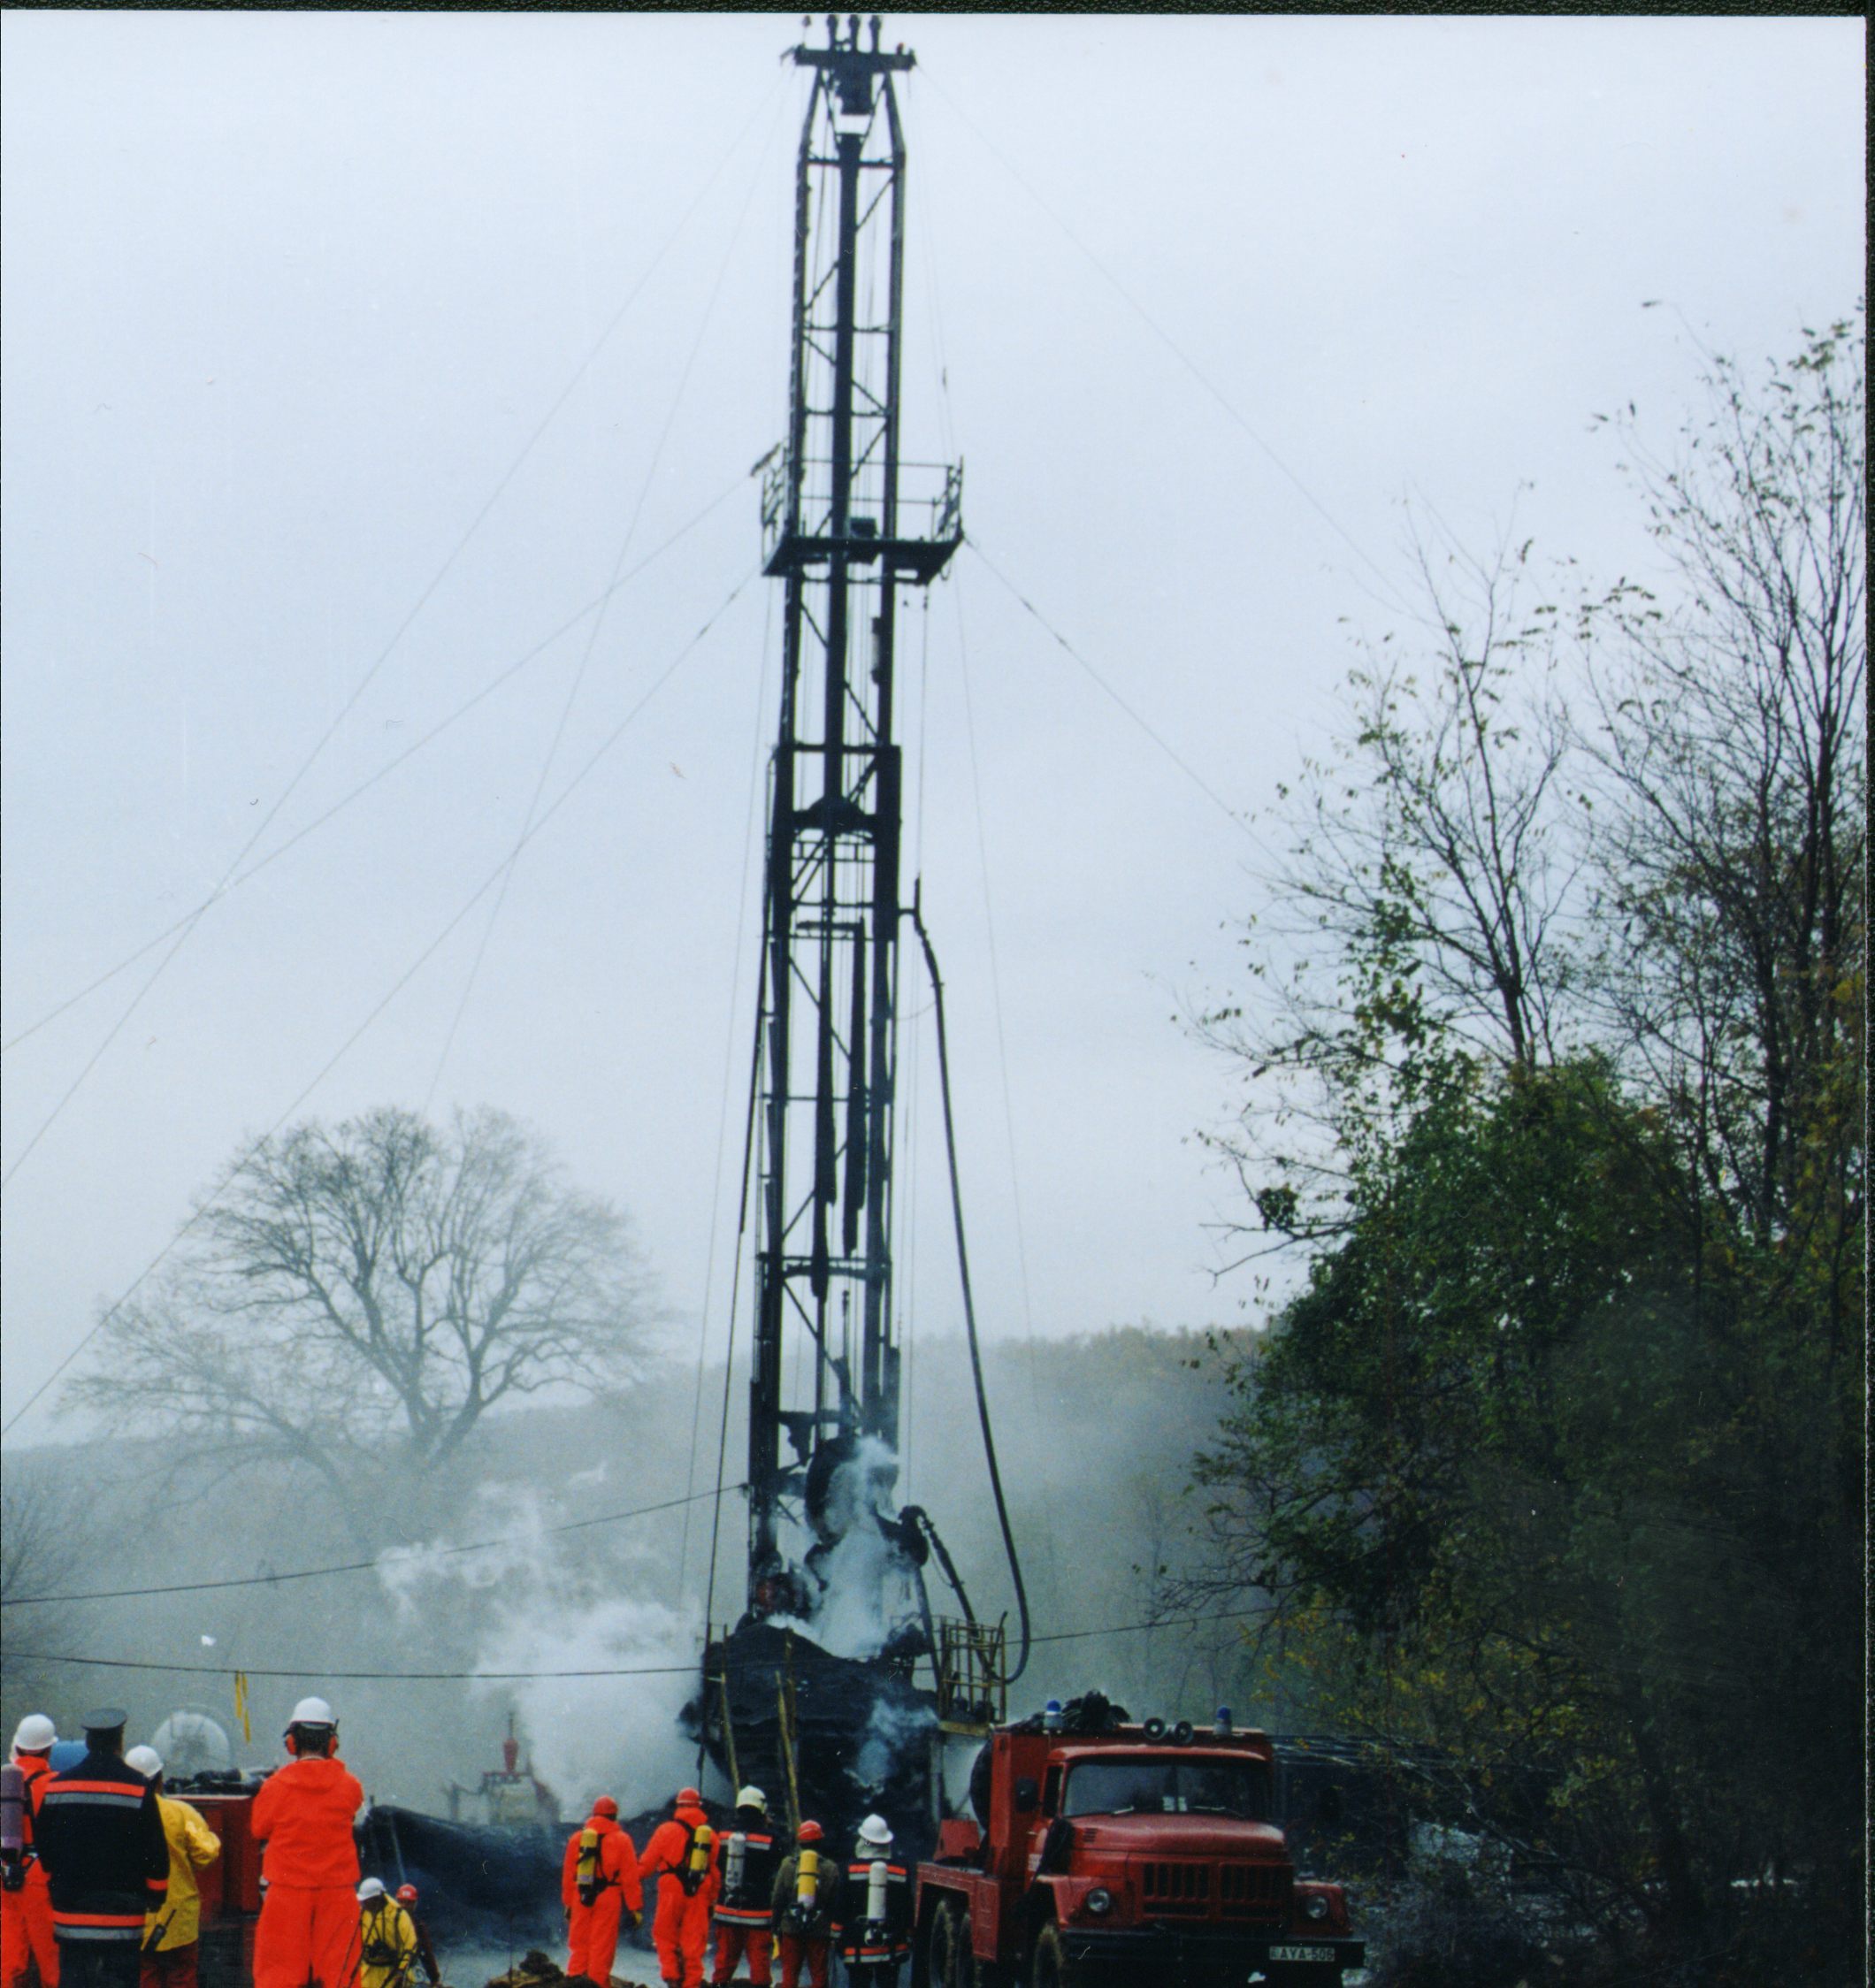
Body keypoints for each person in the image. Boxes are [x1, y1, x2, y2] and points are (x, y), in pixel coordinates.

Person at [32, 1710, 168, 1988]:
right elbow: (154, 1849)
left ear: (88, 1743)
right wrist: (156, 1895)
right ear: (120, 1743)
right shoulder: (138, 1787)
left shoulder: (58, 1787)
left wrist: (57, 1881)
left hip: (71, 1913)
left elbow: (44, 1844)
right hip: (122, 1918)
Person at [249, 1698, 365, 1988]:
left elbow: (258, 1828)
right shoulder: (350, 1787)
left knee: (279, 1975)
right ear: (331, 1744)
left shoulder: (274, 1787)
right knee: (341, 1974)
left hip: (287, 1894)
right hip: (337, 1894)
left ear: (292, 1743)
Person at [120, 1749, 219, 1988]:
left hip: (135, 1919)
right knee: (181, 1976)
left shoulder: (119, 1815)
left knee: (145, 1977)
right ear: (160, 1778)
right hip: (178, 1918)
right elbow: (206, 1854)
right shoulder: (181, 1812)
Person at [2, 1715, 61, 1988]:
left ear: (18, 1746)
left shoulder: (5, 1782)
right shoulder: (56, 1784)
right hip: (40, 1875)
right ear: (48, 1749)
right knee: (51, 1961)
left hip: (6, 1873)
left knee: (10, 1959)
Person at [559, 1798, 641, 1988]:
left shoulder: (577, 1839)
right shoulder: (622, 1840)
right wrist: (635, 1908)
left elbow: (569, 1875)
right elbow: (630, 1878)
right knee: (601, 1947)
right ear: (614, 1816)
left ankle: (575, 1981)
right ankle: (598, 1984)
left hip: (581, 1896)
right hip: (608, 1896)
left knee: (579, 1945)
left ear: (594, 1814)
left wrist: (568, 1904)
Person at [638, 1789, 715, 1988]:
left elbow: (646, 1866)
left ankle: (672, 1978)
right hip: (698, 1891)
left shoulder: (665, 1830)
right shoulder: (710, 1836)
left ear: (678, 1806)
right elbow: (714, 1872)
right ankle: (692, 1983)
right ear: (699, 1806)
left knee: (665, 1936)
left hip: (671, 1889)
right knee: (694, 1942)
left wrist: (627, 1878)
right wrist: (711, 1902)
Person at [707, 1787, 778, 1988]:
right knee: (759, 1958)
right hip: (757, 1910)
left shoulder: (723, 1834)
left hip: (727, 1907)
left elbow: (716, 1864)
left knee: (725, 1958)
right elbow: (777, 1866)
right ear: (761, 1808)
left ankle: (719, 1984)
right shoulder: (770, 1838)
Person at [830, 1816, 910, 1985]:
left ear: (864, 1841)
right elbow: (907, 1906)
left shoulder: (850, 1869)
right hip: (891, 1945)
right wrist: (908, 1935)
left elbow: (841, 1906)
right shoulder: (901, 1869)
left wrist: (836, 1935)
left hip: (858, 1944)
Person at [767, 1822, 838, 1988]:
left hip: (791, 1927)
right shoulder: (831, 1868)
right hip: (819, 1929)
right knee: (819, 1974)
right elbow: (834, 1902)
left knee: (790, 1973)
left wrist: (775, 1926)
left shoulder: (787, 1865)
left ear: (800, 1842)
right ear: (820, 1842)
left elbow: (777, 1898)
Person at [354, 1879, 418, 1988]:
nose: (363, 1904)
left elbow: (411, 1944)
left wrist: (401, 1972)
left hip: (395, 1973)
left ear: (376, 1899)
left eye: (366, 1901)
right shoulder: (362, 1913)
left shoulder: (398, 1914)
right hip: (369, 1974)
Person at [392, 1887, 440, 1987]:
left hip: (405, 1974)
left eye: (408, 1902)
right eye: (401, 1902)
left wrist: (434, 1979)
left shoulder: (419, 1927)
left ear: (415, 1904)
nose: (404, 1906)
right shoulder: (388, 1921)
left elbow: (427, 1954)